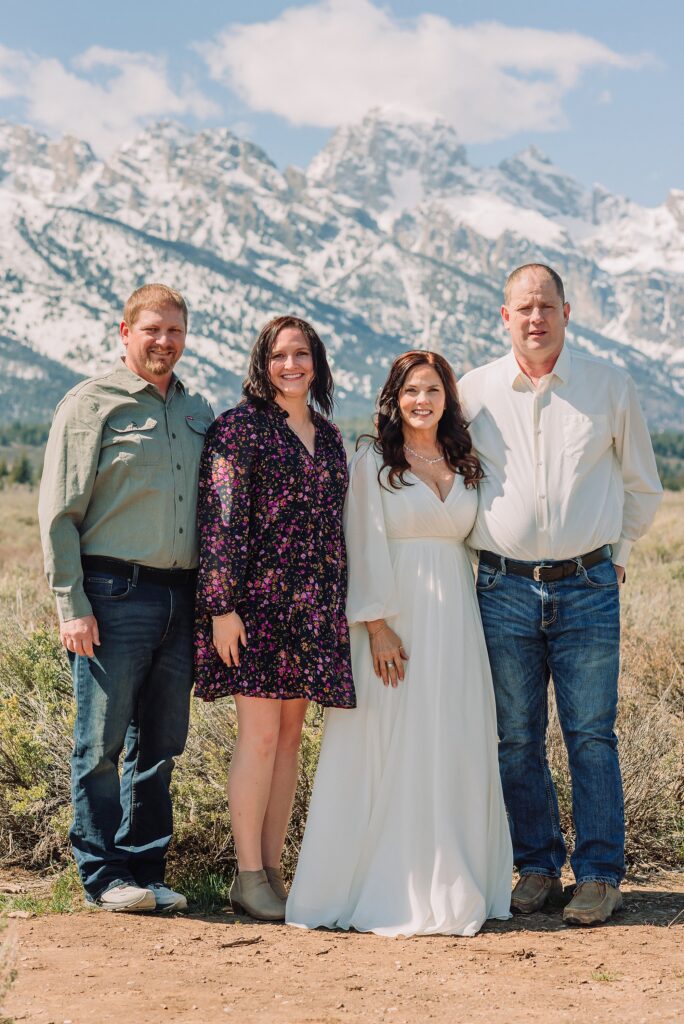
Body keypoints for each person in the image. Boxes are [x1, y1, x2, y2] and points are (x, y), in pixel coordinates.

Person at [458, 264, 663, 926]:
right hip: (503, 588)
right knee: (515, 737)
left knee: (590, 735)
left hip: (588, 587)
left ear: (568, 313)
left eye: (547, 305)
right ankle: (538, 866)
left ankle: (600, 874)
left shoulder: (609, 386)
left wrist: (618, 558)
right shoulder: (474, 391)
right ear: (504, 316)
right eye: (524, 307)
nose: (536, 317)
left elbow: (642, 485)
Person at [286, 351, 513, 937]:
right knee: (388, 743)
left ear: (448, 398)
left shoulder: (465, 463)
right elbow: (359, 541)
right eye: (411, 389)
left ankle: (455, 874)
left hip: (457, 623)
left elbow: (476, 543)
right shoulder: (373, 462)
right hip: (393, 621)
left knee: (451, 738)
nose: (422, 400)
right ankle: (383, 883)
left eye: (433, 390)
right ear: (395, 396)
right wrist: (376, 623)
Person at [38, 284, 214, 913]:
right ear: (125, 332)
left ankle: (146, 870)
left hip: (181, 596)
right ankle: (101, 875)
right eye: (152, 330)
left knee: (162, 744)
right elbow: (58, 513)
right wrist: (71, 604)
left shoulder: (199, 412)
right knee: (101, 742)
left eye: (175, 331)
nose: (164, 342)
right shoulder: (91, 405)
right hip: (111, 594)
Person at [194, 315, 355, 923]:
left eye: (302, 354)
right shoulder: (239, 429)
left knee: (290, 741)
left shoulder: (332, 436)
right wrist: (221, 607)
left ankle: (273, 871)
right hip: (253, 609)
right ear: (262, 363)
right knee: (258, 738)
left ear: (317, 362)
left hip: (311, 609)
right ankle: (247, 873)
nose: (291, 365)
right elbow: (221, 519)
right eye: (279, 355)